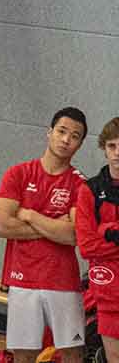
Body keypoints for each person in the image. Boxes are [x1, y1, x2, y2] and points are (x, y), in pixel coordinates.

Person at [0, 107, 88, 363]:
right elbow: (2, 225)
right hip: (23, 279)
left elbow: (73, 235)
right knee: (24, 355)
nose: (66, 139)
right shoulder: (18, 173)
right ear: (49, 133)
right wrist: (53, 226)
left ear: (80, 145)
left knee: (72, 352)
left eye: (75, 136)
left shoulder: (80, 184)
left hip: (63, 281)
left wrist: (30, 215)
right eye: (62, 131)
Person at [76, 117, 119, 362]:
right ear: (104, 148)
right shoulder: (89, 190)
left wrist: (105, 230)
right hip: (108, 295)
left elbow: (97, 241)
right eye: (112, 146)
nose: (117, 153)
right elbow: (87, 246)